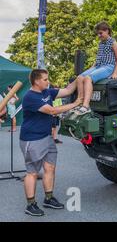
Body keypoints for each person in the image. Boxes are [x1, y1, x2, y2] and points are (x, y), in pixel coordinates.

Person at [20, 69, 81, 216]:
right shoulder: (30, 97)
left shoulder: (48, 92)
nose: (48, 81)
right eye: (45, 79)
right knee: (32, 173)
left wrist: (80, 77)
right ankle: (30, 204)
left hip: (47, 138)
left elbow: (68, 90)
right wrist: (76, 103)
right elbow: (52, 111)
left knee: (50, 168)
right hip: (32, 139)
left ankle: (48, 198)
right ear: (36, 81)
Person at [75, 21, 117, 115]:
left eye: (101, 33)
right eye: (98, 34)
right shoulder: (101, 43)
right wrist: (91, 68)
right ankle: (79, 102)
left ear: (107, 31)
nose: (99, 35)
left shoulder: (113, 43)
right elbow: (98, 58)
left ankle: (86, 106)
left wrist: (115, 73)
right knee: (80, 77)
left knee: (88, 78)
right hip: (98, 66)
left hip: (108, 67)